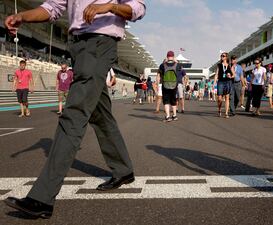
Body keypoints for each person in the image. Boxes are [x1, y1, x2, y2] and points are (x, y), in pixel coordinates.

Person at [3, 0, 145, 219]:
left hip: (100, 42)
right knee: (100, 114)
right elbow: (51, 8)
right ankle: (123, 170)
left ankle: (42, 198)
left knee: (73, 114)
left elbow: (137, 8)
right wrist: (24, 16)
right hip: (77, 46)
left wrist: (108, 7)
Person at [157, 51, 181, 122]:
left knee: (166, 101)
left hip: (165, 85)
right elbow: (179, 72)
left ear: (167, 57)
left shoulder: (162, 65)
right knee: (173, 100)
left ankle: (167, 116)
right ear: (173, 57)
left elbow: (159, 75)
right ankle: (174, 115)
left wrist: (158, 84)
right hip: (174, 85)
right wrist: (175, 61)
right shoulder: (177, 65)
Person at [214, 52, 233, 118]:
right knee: (219, 99)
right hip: (220, 82)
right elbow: (216, 74)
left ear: (226, 57)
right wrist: (214, 83)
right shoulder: (219, 65)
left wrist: (230, 76)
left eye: (223, 56)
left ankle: (226, 113)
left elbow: (233, 74)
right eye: (221, 56)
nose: (222, 57)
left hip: (228, 82)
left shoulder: (229, 65)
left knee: (227, 98)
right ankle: (219, 109)